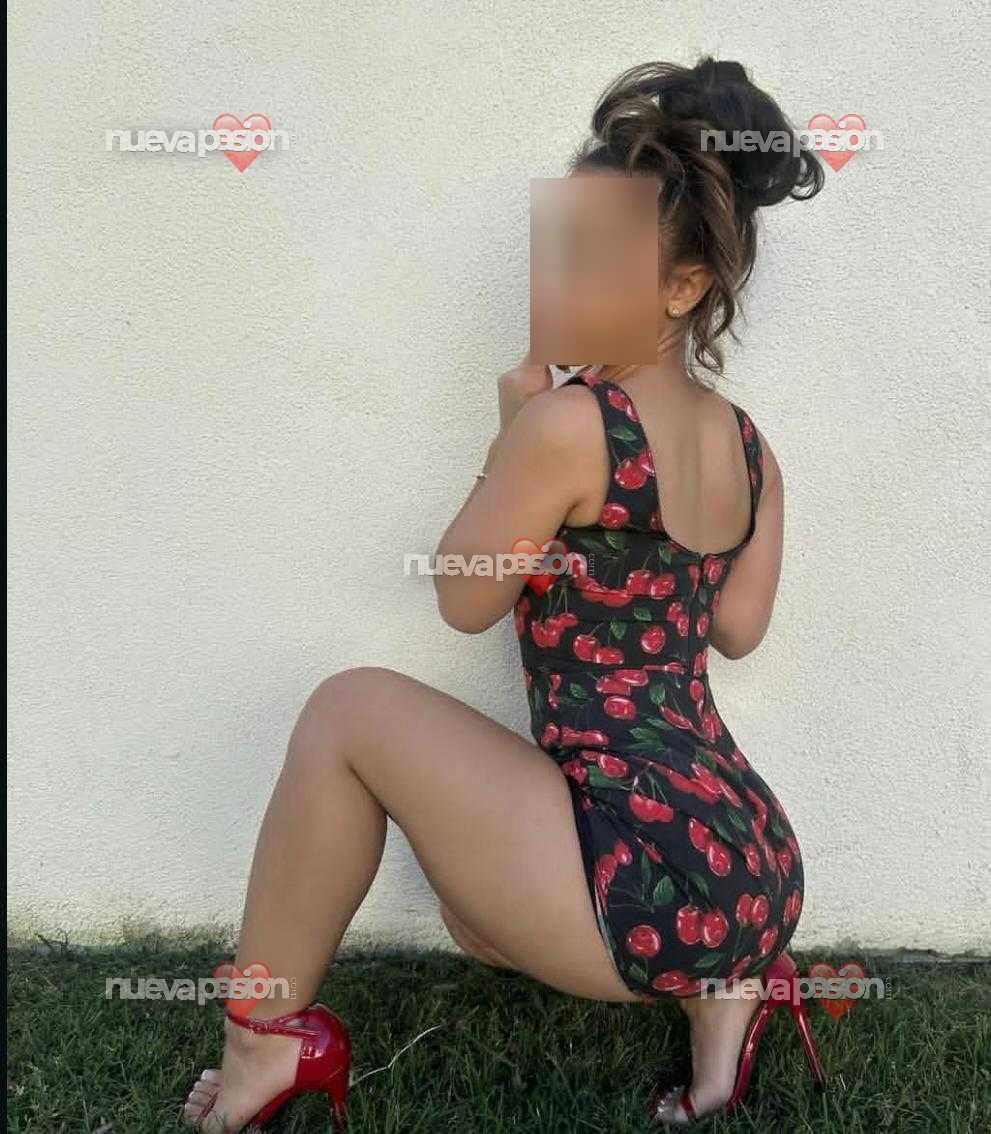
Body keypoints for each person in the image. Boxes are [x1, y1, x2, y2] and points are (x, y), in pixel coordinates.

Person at [182, 56, 826, 1130]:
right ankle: (725, 1007)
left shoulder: (569, 425)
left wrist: (513, 436)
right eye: (551, 256)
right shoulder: (751, 449)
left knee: (348, 709)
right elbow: (737, 628)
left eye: (589, 263)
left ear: (681, 288)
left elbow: (463, 596)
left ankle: (261, 1041)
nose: (552, 290)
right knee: (473, 918)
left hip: (642, 869)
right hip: (752, 862)